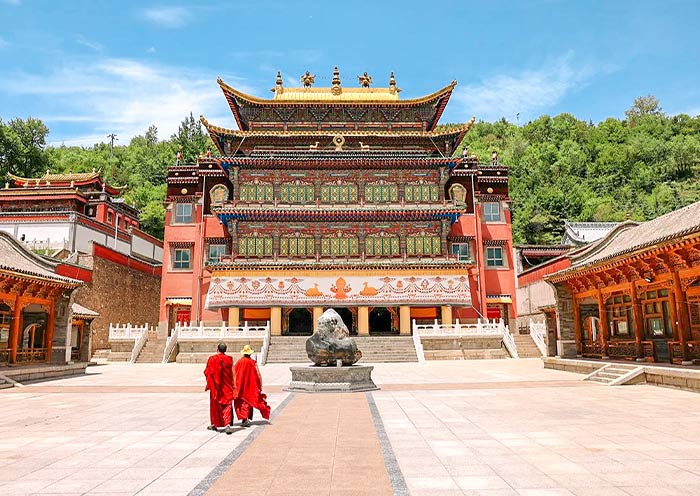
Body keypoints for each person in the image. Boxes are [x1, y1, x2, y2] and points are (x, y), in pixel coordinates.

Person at [233, 345, 271, 426]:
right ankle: (247, 419)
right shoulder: (252, 363)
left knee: (241, 403)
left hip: (241, 387)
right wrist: (259, 385)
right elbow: (258, 375)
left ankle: (244, 419)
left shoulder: (239, 362)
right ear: (250, 354)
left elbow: (234, 374)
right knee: (249, 403)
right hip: (250, 387)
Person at [204, 343, 235, 433]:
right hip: (227, 386)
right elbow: (233, 373)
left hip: (216, 387)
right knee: (227, 405)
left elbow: (207, 372)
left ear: (217, 349)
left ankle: (215, 424)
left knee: (215, 406)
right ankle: (227, 425)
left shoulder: (212, 359)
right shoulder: (229, 359)